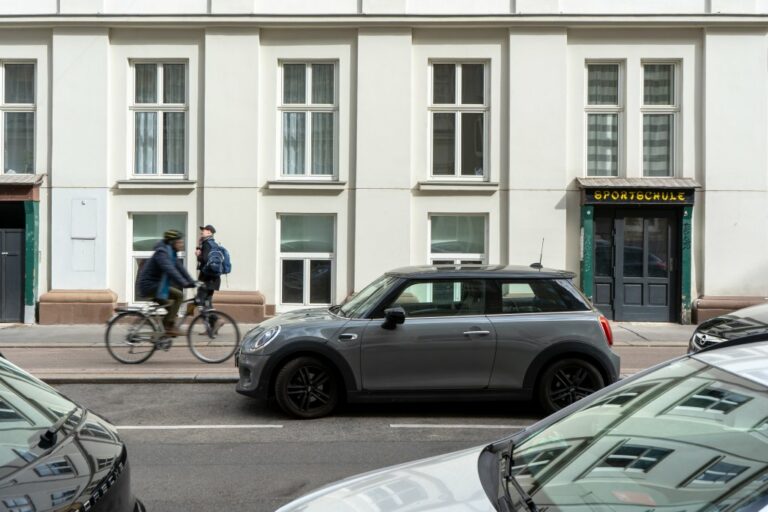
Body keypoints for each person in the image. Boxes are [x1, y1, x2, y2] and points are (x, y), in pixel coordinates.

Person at [136, 229, 196, 336]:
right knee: (179, 295)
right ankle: (168, 327)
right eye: (179, 242)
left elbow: (181, 269)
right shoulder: (162, 253)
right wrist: (184, 283)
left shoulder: (172, 253)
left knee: (172, 307)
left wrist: (192, 281)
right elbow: (170, 270)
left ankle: (162, 331)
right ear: (172, 242)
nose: (181, 245)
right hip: (149, 285)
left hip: (156, 285)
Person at [195, 224, 221, 312]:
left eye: (204, 230)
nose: (202, 232)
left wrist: (198, 255)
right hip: (214, 277)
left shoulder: (206, 244)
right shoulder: (214, 244)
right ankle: (214, 321)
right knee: (208, 304)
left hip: (206, 277)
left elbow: (205, 259)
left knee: (200, 301)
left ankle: (213, 320)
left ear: (209, 232)